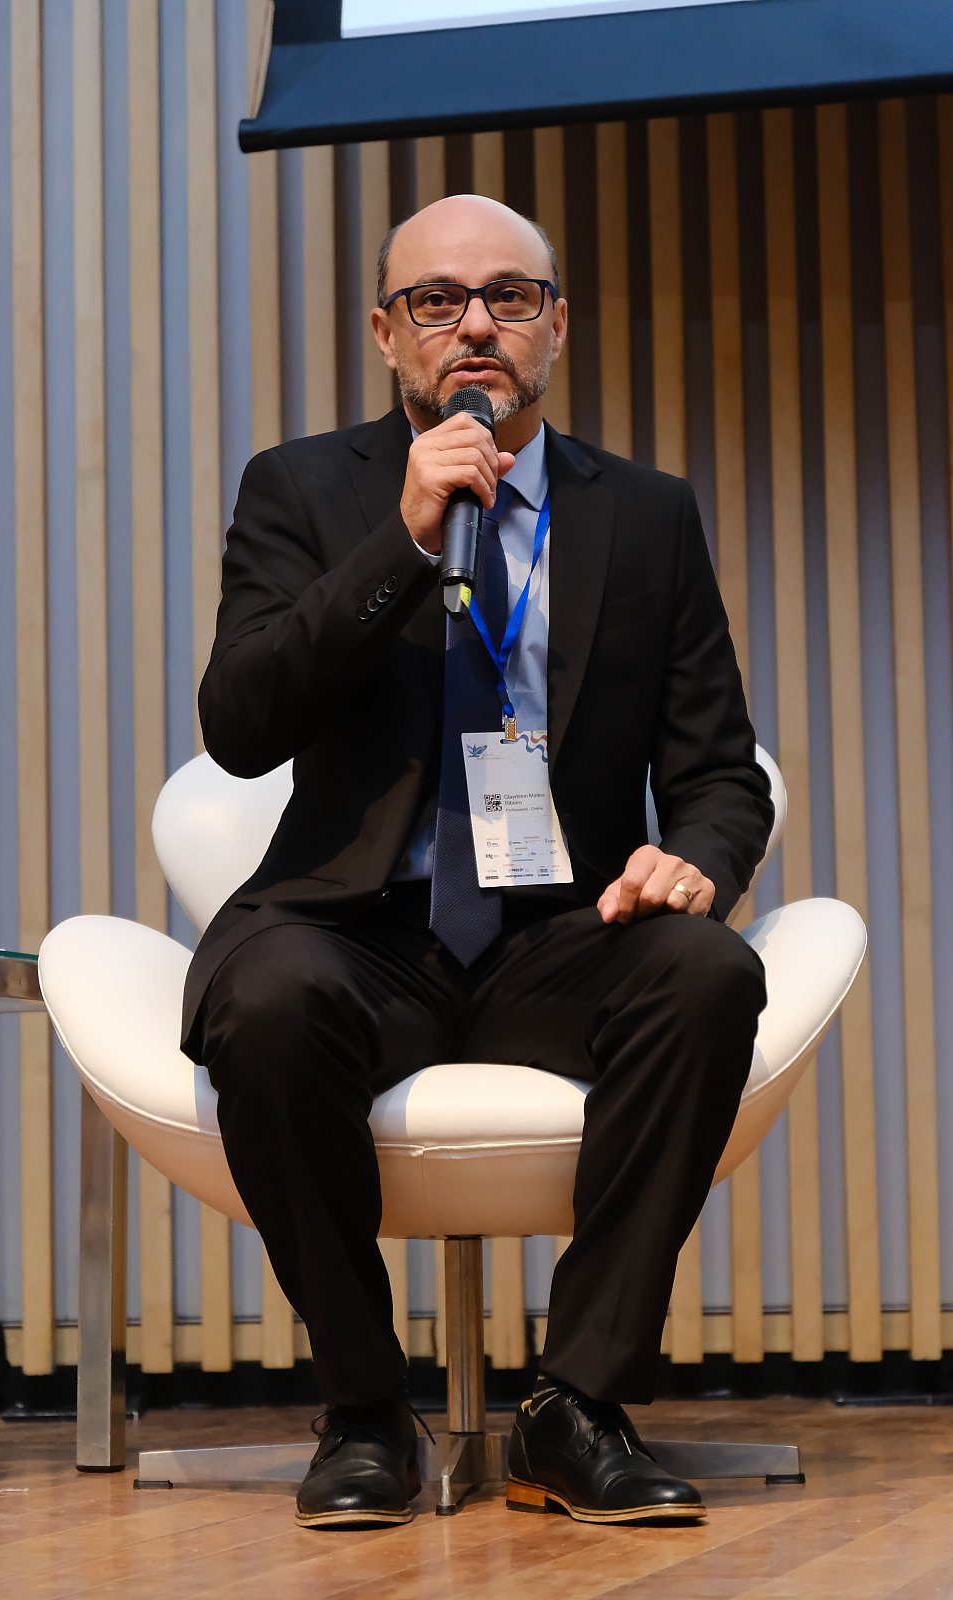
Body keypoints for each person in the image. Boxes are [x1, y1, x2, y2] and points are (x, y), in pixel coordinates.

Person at [182, 194, 772, 1531]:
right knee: (264, 1000)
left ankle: (576, 1407)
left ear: (557, 326)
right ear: (387, 334)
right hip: (359, 929)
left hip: (560, 930)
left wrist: (693, 863)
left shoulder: (648, 515)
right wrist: (400, 538)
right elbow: (240, 726)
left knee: (707, 975)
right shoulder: (300, 488)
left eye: (510, 296)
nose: (476, 326)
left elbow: (719, 773)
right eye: (438, 301)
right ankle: (363, 1410)